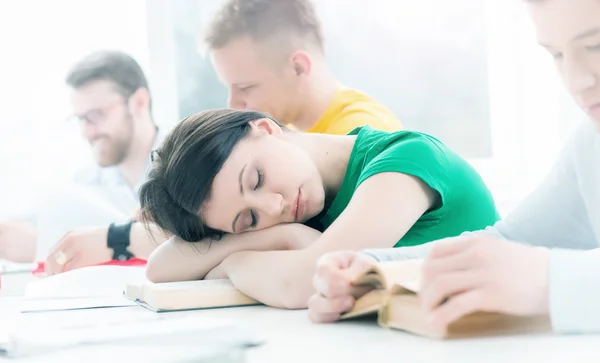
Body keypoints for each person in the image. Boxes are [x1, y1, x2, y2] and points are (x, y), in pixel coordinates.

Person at [308, 0, 600, 335]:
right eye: (557, 54)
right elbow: (510, 240)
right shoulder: (590, 143)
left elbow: (535, 268)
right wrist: (374, 267)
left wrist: (549, 282)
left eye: (595, 45)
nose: (577, 81)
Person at [139, 108, 500, 309]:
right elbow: (161, 268)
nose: (274, 206)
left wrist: (234, 261)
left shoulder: (405, 160)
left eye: (257, 178)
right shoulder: (302, 212)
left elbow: (299, 284)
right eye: (248, 219)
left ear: (265, 128)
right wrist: (287, 235)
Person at [0, 51, 168, 271]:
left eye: (96, 115)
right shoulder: (81, 185)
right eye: (80, 119)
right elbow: (29, 229)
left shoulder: (191, 164)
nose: (87, 132)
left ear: (139, 102)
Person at [205, 0, 402, 135]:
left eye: (246, 87)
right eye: (228, 87)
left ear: (297, 67)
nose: (232, 104)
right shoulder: (286, 132)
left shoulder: (360, 136)